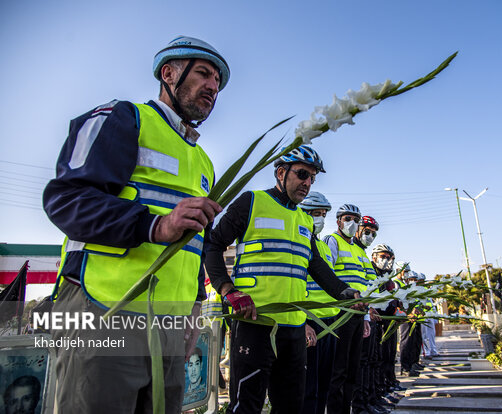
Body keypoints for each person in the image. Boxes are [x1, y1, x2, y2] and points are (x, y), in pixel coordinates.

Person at [43, 36, 228, 413]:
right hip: (105, 311)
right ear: (169, 73)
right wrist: (154, 226)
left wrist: (194, 311)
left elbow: (193, 245)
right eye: (205, 74)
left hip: (172, 327)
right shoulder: (123, 118)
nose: (213, 86)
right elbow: (66, 199)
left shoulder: (205, 163)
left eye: (218, 83)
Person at [205, 146, 359, 414]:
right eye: (302, 174)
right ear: (280, 172)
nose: (307, 183)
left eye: (312, 178)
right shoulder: (250, 202)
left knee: (291, 406)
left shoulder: (304, 220)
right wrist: (228, 290)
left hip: (294, 329)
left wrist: (344, 293)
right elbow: (213, 246)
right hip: (255, 322)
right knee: (246, 406)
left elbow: (316, 265)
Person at [322, 204, 369, 414]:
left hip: (359, 313)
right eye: (347, 218)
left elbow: (364, 282)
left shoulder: (358, 250)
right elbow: (327, 276)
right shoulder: (332, 241)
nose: (352, 223)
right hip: (342, 312)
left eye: (355, 219)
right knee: (338, 369)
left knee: (353, 368)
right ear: (338, 221)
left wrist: (368, 312)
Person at [299, 191, 339, 414]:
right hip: (309, 320)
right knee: (308, 386)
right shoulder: (298, 242)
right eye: (315, 213)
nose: (320, 219)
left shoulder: (323, 247)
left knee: (325, 381)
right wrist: (303, 321)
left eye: (323, 214)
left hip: (329, 321)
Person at [350, 216, 392, 414]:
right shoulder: (347, 248)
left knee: (371, 360)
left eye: (373, 233)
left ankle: (369, 399)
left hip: (368, 315)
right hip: (353, 314)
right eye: (367, 231)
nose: (370, 236)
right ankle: (359, 405)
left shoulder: (361, 253)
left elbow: (369, 287)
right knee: (360, 363)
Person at [370, 244, 404, 396]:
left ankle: (389, 382)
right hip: (375, 321)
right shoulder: (372, 273)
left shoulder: (390, 279)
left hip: (390, 322)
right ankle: (379, 388)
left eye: (389, 258)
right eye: (383, 257)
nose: (386, 260)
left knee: (390, 354)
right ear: (374, 257)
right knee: (377, 358)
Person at [395, 264, 424, 377]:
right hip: (404, 316)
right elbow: (397, 301)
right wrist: (408, 313)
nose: (406, 273)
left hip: (412, 316)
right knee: (406, 341)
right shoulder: (397, 283)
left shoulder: (405, 284)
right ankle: (405, 367)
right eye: (405, 271)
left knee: (413, 341)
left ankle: (412, 363)